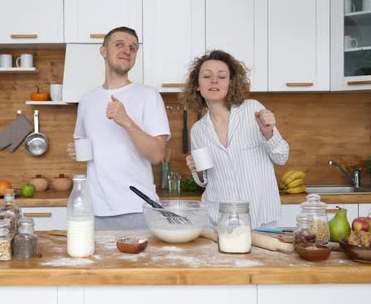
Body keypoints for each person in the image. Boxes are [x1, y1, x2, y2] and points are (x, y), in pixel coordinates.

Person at [67, 26, 170, 230]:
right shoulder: (87, 100)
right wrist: (76, 150)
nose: (127, 50)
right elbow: (85, 145)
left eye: (133, 48)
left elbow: (158, 155)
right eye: (119, 44)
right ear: (103, 51)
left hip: (137, 209)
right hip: (95, 210)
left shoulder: (148, 96)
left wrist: (126, 121)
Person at [184, 50, 289, 229]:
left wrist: (269, 133)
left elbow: (282, 157)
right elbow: (205, 180)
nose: (214, 81)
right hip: (220, 220)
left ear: (231, 83)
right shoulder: (198, 130)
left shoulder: (253, 110)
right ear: (197, 86)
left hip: (261, 217)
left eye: (222, 76)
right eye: (207, 76)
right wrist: (197, 171)